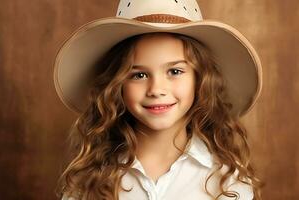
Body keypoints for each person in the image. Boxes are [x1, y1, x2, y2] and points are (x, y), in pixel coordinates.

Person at [54, 1, 263, 200]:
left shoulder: (228, 182)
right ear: (117, 85)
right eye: (139, 75)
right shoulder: (88, 181)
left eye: (175, 71)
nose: (156, 90)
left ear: (200, 80)